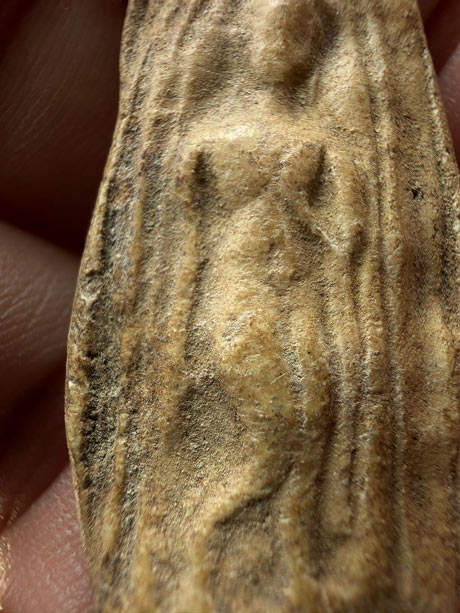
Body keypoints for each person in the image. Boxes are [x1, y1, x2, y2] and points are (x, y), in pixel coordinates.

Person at [0, 1, 458, 611]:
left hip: (304, 303)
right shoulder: (209, 145)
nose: (285, 51)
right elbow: (181, 250)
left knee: (315, 422)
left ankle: (295, 559)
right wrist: (168, 334)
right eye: (275, 37)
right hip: (240, 301)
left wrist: (345, 223)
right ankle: (204, 544)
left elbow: (345, 238)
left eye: (299, 40)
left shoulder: (321, 146)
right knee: (275, 434)